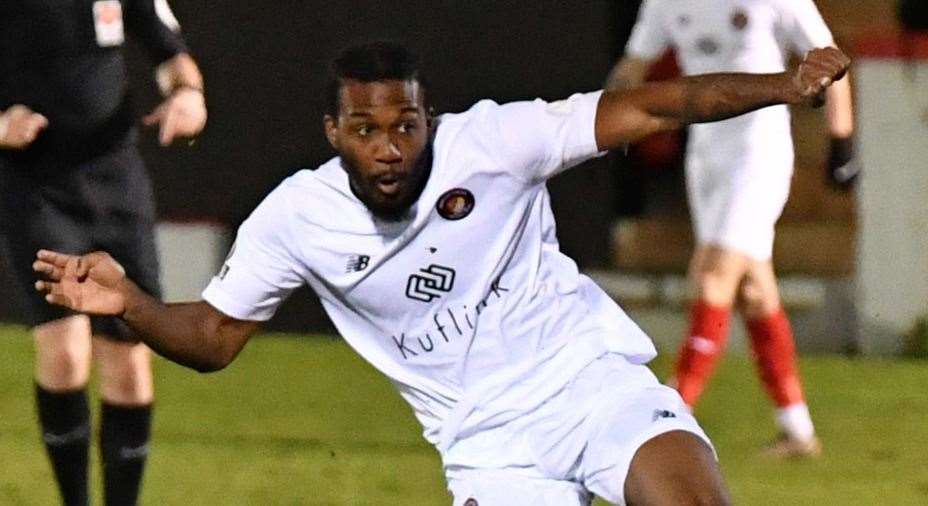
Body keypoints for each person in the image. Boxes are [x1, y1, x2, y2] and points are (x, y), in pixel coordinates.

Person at [34, 41, 848, 505]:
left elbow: (658, 106)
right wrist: (132, 304)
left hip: (587, 384)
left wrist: (787, 86)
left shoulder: (496, 144)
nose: (389, 147)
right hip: (486, 444)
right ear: (333, 131)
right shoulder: (295, 218)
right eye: (365, 129)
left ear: (431, 119)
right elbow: (213, 338)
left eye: (405, 125)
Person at [605, 0, 857, 457]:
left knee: (713, 273)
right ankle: (797, 429)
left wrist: (841, 141)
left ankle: (670, 410)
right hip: (705, 154)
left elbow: (828, 57)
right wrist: (596, 120)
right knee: (754, 290)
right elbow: (633, 66)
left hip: (759, 149)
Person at [0, 1, 206, 504]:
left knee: (131, 365)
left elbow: (171, 54)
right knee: (66, 351)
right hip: (37, 185)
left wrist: (188, 95)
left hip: (117, 183)